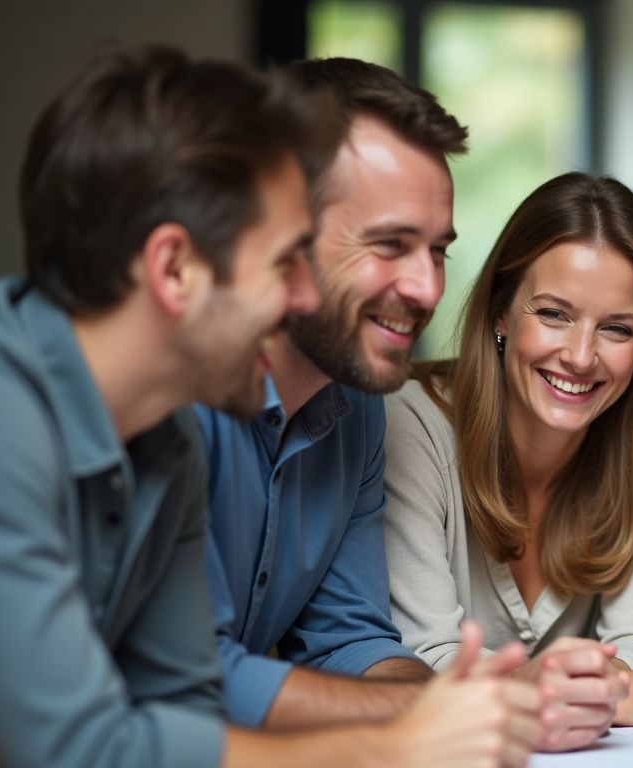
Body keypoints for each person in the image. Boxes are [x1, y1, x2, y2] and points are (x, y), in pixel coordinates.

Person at [0, 47, 540, 768]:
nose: (299, 296)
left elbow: (186, 700)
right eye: (282, 260)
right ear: (174, 268)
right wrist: (391, 747)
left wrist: (418, 731)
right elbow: (83, 748)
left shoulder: (162, 434)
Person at [384, 172, 633, 742]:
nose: (580, 356)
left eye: (618, 329)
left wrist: (604, 686)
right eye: (553, 314)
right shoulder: (409, 424)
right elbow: (421, 663)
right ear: (501, 312)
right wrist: (619, 693)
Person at [195, 56, 476, 729]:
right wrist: (434, 711)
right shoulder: (174, 393)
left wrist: (464, 703)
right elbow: (187, 677)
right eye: (390, 244)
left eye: (437, 250)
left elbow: (347, 641)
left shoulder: (360, 409)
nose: (429, 290)